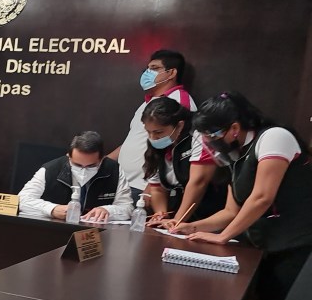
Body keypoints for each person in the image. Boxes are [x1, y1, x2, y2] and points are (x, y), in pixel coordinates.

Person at [173, 92, 312, 300]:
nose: (208, 142)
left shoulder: (274, 137)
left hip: (295, 245)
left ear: (235, 128)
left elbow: (262, 197)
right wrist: (192, 227)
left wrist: (223, 236)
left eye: (211, 135)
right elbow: (231, 211)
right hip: (266, 246)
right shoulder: (236, 155)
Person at [109, 50, 217, 210]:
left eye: (154, 68)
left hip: (144, 188)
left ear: (171, 72)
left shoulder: (179, 101)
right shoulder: (147, 104)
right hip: (124, 184)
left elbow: (174, 149)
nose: (147, 73)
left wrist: (150, 189)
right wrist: (103, 162)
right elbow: (132, 141)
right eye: (147, 68)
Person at [139, 96, 227, 223]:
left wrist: (177, 221)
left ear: (179, 126)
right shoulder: (157, 146)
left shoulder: (198, 134)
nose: (153, 138)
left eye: (158, 132)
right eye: (148, 132)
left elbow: (198, 182)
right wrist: (161, 214)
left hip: (211, 214)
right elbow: (157, 188)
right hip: (182, 214)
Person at [18, 131, 133, 222]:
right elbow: (22, 200)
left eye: (91, 166)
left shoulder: (114, 170)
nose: (83, 171)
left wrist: (108, 210)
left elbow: (127, 208)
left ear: (102, 159)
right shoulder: (51, 169)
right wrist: (52, 209)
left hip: (96, 233)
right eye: (77, 165)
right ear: (68, 156)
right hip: (55, 229)